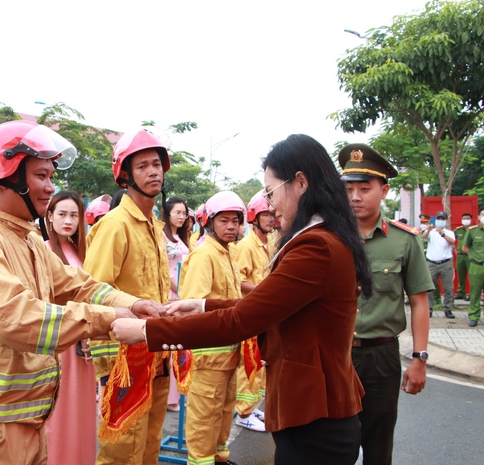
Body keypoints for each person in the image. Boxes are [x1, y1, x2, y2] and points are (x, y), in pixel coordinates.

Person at [112, 134, 372, 465]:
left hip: (315, 416)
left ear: (301, 183)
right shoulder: (319, 239)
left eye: (270, 192)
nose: (269, 205)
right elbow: (264, 303)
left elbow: (244, 319)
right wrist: (203, 304)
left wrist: (150, 332)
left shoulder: (316, 247)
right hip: (314, 412)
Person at [0, 121, 160, 465]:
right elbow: (14, 318)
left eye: (51, 177)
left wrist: (135, 305)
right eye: (41, 176)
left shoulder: (26, 240)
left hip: (26, 419)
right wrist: (113, 317)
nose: (50, 188)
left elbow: (78, 286)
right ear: (7, 174)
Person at [339, 143, 433, 465]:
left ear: (384, 190)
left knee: (378, 447)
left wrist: (420, 358)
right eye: (349, 189)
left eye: (364, 189)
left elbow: (420, 302)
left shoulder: (404, 240)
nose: (355, 197)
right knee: (336, 443)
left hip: (381, 357)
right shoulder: (329, 237)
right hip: (336, 354)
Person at [84, 129, 171, 465]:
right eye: (143, 166)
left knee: (150, 443)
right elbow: (93, 288)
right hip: (123, 357)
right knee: (123, 449)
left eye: (157, 164)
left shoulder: (153, 224)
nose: (153, 172)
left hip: (156, 349)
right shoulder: (115, 225)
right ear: (125, 175)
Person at [178, 190, 248, 464]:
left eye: (235, 221)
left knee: (223, 410)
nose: (231, 226)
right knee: (204, 417)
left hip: (228, 352)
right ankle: (201, 460)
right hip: (208, 355)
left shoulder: (227, 252)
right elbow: (193, 306)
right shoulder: (204, 255)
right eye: (224, 221)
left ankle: (219, 456)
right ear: (209, 222)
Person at [43, 190, 97, 465]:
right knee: (59, 411)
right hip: (60, 342)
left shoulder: (79, 251)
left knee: (81, 410)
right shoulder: (42, 249)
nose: (68, 220)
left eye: (74, 215)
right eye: (61, 214)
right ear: (49, 216)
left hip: (83, 341)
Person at [233, 190, 275, 432]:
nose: (270, 219)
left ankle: (252, 407)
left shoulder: (266, 244)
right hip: (251, 311)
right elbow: (239, 280)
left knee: (259, 364)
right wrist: (262, 290)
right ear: (254, 218)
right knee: (248, 363)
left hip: (263, 313)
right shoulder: (247, 245)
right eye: (265, 215)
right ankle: (243, 412)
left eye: (271, 214)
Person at [162, 196, 190, 412]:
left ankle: (179, 391)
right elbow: (163, 268)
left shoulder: (181, 238)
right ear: (167, 213)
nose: (181, 216)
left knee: (182, 344)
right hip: (171, 292)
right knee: (171, 344)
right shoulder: (162, 237)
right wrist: (179, 289)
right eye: (177, 212)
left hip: (182, 291)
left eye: (184, 213)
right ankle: (170, 398)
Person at [423, 211, 456, 318]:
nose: (440, 221)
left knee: (448, 288)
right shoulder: (431, 232)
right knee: (429, 288)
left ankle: (448, 309)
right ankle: (429, 309)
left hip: (445, 263)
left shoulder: (449, 232)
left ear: (446, 221)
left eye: (443, 219)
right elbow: (424, 237)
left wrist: (442, 233)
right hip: (431, 263)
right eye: (439, 219)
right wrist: (428, 229)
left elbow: (452, 242)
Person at [454, 213, 474, 300]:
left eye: (467, 218)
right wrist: (455, 248)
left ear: (471, 219)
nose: (466, 220)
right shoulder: (458, 230)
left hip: (471, 256)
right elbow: (450, 239)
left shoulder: (474, 230)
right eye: (464, 218)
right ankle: (461, 293)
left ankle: (472, 294)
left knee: (472, 276)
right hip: (460, 256)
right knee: (460, 275)